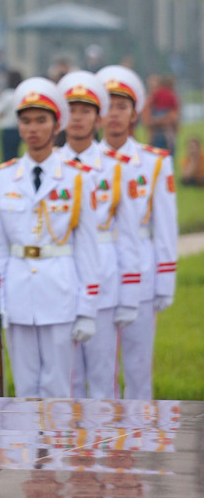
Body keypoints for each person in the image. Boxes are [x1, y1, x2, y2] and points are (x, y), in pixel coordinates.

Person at [0, 77, 100, 398]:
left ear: (56, 125)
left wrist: (87, 309)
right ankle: (25, 450)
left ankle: (58, 451)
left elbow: (88, 249)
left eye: (41, 120)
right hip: (18, 294)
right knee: (24, 390)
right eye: (25, 121)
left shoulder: (77, 178)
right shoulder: (1, 179)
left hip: (60, 292)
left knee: (57, 389)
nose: (32, 128)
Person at [59, 70, 142, 398]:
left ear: (99, 117)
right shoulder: (50, 165)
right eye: (72, 111)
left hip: (105, 279)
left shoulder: (117, 167)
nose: (77, 119)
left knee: (103, 375)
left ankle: (104, 448)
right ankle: (67, 449)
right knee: (67, 379)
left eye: (86, 111)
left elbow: (129, 235)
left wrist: (130, 296)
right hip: (62, 278)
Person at [97, 65, 177, 398]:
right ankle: (98, 443)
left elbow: (166, 227)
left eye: (122, 107)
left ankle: (137, 445)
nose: (114, 115)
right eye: (109, 106)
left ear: (135, 113)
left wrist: (165, 280)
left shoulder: (154, 162)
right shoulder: (79, 163)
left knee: (138, 368)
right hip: (97, 272)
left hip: (141, 273)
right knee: (99, 371)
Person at [0, 69, 22, 165]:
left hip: (7, 130)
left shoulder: (7, 95)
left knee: (7, 159)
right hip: (17, 129)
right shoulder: (19, 94)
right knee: (15, 157)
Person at [144, 74, 180, 156]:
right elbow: (175, 114)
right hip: (165, 130)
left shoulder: (155, 94)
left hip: (157, 129)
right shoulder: (170, 94)